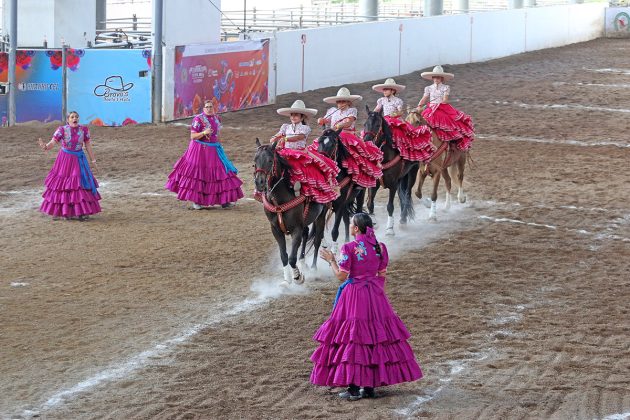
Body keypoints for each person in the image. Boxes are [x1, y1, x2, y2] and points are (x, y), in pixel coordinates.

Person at [311, 213, 423, 400]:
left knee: (354, 338)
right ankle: (369, 387)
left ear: (356, 228)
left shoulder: (349, 248)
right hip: (375, 295)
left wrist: (331, 260)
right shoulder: (380, 247)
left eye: (351, 224)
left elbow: (341, 276)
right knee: (375, 338)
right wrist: (378, 297)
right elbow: (382, 274)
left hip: (354, 296)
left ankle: (353, 389)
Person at [166, 99, 244, 209]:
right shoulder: (198, 119)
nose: (209, 109)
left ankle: (224, 200)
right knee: (198, 174)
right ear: (203, 109)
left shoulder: (217, 118)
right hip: (199, 150)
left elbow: (217, 134)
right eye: (207, 107)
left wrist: (219, 146)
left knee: (221, 173)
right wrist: (203, 133)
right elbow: (193, 136)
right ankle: (197, 202)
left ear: (214, 108)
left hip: (214, 149)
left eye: (210, 107)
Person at [269, 100, 339, 203]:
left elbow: (299, 137)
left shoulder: (305, 128)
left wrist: (286, 139)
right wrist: (274, 137)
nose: (293, 117)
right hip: (286, 151)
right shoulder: (286, 127)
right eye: (292, 115)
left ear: (302, 117)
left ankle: (299, 186)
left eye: (296, 115)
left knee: (298, 168)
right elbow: (279, 134)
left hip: (299, 153)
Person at [38, 111, 101, 220]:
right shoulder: (62, 130)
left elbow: (88, 146)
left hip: (78, 160)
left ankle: (81, 212)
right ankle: (63, 211)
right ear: (68, 120)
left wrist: (93, 161)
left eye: (76, 117)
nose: (74, 118)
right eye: (72, 117)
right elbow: (53, 142)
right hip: (64, 160)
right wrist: (45, 147)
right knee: (63, 184)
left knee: (79, 184)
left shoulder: (84, 130)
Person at [316, 87, 382, 188]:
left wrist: (339, 126)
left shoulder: (352, 110)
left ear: (348, 102)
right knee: (319, 146)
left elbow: (349, 122)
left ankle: (357, 178)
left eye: (343, 102)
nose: (341, 104)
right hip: (333, 135)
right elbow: (325, 120)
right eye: (339, 102)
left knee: (355, 155)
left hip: (347, 136)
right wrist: (321, 120)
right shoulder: (332, 110)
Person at [372, 77, 434, 162]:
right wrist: (372, 115)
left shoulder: (398, 101)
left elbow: (400, 112)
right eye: (384, 90)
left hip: (394, 120)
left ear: (392, 91)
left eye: (386, 89)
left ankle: (401, 152)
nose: (384, 91)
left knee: (399, 133)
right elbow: (376, 110)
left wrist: (395, 114)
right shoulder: (381, 100)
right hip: (385, 119)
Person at [417, 65, 475, 151]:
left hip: (441, 107)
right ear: (433, 78)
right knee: (420, 120)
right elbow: (424, 99)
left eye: (438, 77)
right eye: (435, 77)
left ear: (441, 78)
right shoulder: (428, 88)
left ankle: (450, 142)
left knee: (446, 120)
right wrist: (419, 106)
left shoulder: (446, 87)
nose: (436, 79)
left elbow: (445, 100)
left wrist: (439, 101)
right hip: (430, 108)